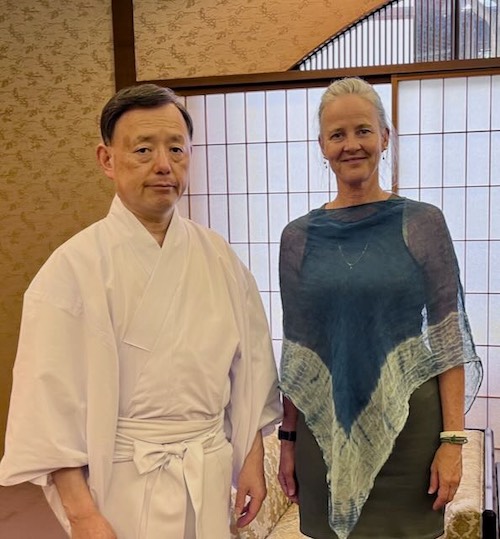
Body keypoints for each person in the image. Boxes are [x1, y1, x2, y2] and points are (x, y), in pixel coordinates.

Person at [0, 83, 282, 539]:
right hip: (122, 481)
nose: (164, 165)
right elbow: (47, 405)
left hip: (207, 467)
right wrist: (81, 514)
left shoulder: (218, 257)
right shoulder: (72, 269)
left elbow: (249, 368)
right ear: (107, 159)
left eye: (176, 149)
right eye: (144, 150)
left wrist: (250, 460)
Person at [277, 77, 483, 539]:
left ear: (384, 137)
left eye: (363, 131)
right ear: (322, 146)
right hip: (323, 436)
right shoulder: (297, 238)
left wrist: (453, 441)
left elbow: (448, 340)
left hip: (411, 438)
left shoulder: (423, 223)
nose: (352, 145)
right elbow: (297, 353)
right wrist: (287, 443)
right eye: (338, 135)